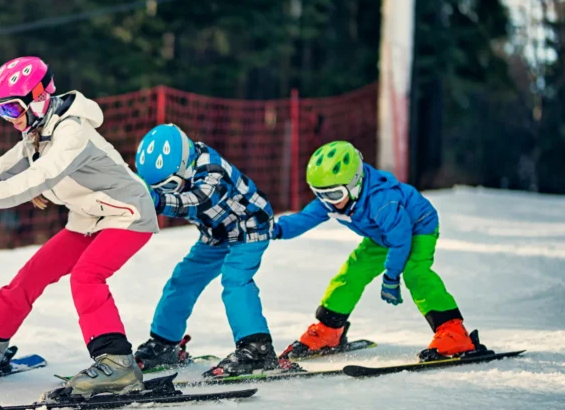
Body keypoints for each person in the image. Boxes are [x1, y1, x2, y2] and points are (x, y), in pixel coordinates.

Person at [0, 56, 159, 398]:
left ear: (38, 98)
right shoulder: (36, 132)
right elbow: (5, 167)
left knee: (86, 276)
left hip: (127, 214)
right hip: (87, 220)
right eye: (2, 111)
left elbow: (41, 175)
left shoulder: (72, 131)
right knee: (31, 275)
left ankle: (117, 363)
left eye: (13, 108)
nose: (11, 118)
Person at [272, 140, 476, 361]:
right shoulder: (333, 201)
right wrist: (274, 229)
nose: (326, 201)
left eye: (333, 194)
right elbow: (304, 218)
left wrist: (391, 276)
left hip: (417, 228)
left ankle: (454, 333)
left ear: (354, 184)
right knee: (352, 273)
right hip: (381, 235)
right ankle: (329, 330)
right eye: (319, 194)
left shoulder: (382, 201)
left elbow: (400, 240)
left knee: (416, 273)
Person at [131, 123, 299, 377]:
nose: (165, 192)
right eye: (159, 188)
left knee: (235, 279)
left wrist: (157, 200)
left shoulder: (211, 168)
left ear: (184, 164)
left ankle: (257, 349)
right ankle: (164, 344)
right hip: (216, 234)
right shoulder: (176, 170)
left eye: (168, 186)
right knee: (183, 280)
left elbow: (198, 202)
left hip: (249, 228)